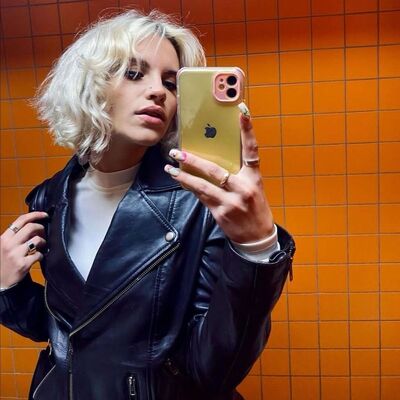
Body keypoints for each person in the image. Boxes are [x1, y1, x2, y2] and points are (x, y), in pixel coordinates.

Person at [0, 10, 295, 400]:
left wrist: (255, 248)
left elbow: (212, 368)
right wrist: (7, 286)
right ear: (89, 85)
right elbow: (69, 331)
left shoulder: (200, 201)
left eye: (171, 83)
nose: (159, 91)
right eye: (134, 73)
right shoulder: (49, 197)